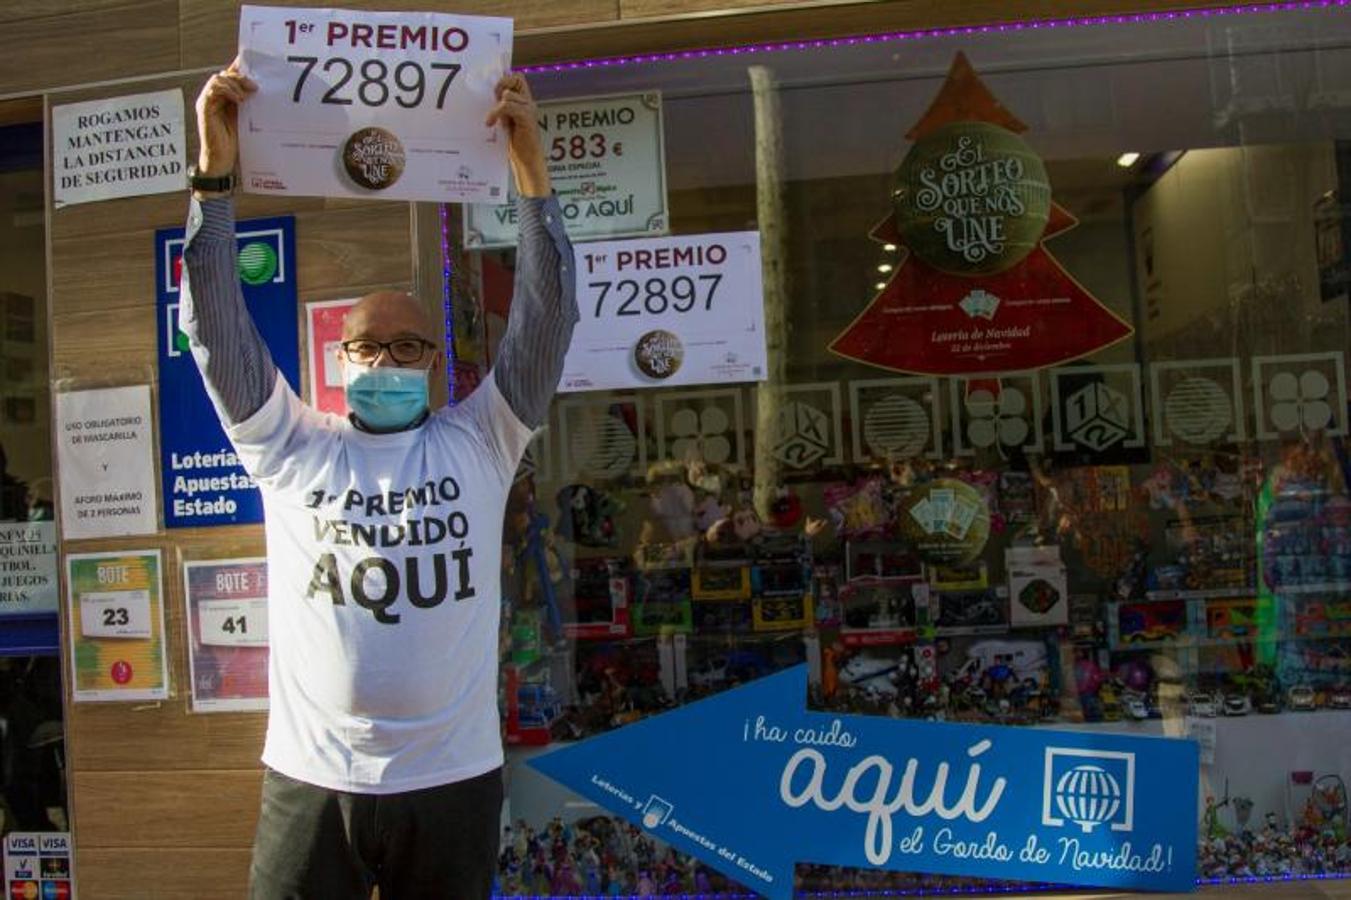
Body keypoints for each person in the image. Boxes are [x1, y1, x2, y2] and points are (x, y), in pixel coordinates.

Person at [183, 59, 577, 899]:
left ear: (435, 364)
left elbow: (548, 318)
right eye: (370, 347)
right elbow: (215, 328)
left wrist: (531, 176)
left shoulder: (482, 437)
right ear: (341, 359)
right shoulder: (290, 443)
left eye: (410, 348)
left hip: (452, 778)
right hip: (312, 777)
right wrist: (213, 180)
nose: (389, 362)